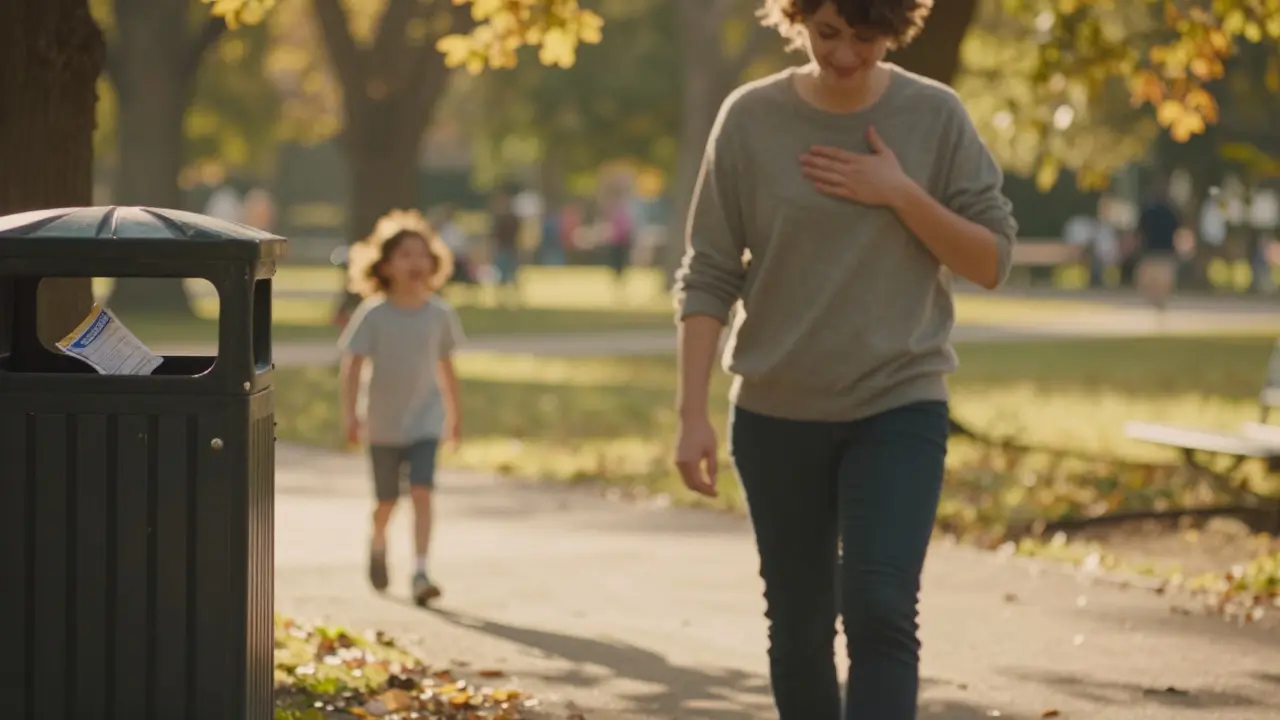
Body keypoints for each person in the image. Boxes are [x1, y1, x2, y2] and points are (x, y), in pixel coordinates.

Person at [671, 2, 1018, 718]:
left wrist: (899, 193)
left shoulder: (935, 115)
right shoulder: (749, 118)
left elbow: (991, 259)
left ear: (895, 32)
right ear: (796, 18)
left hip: (898, 403)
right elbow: (708, 271)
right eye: (828, 34)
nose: (845, 56)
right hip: (775, 412)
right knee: (798, 625)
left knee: (879, 605)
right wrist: (690, 415)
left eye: (867, 38)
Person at [338, 209, 466, 606]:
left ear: (435, 262)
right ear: (386, 265)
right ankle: (377, 543)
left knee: (423, 492)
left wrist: (455, 415)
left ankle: (421, 570)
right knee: (387, 502)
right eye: (405, 255)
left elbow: (446, 367)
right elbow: (353, 364)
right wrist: (350, 414)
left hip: (425, 420)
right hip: (383, 424)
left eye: (422, 254)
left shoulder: (439, 314)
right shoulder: (374, 313)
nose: (416, 262)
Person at [1135, 179, 1181, 311]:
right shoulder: (1171, 210)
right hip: (1164, 250)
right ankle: (1159, 301)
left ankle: (1153, 301)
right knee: (1162, 280)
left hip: (1151, 249)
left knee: (1150, 280)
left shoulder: (1148, 210)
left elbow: (1140, 230)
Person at [490, 186, 523, 304]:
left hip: (509, 248)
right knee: (502, 275)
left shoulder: (507, 218)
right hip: (504, 249)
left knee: (511, 274)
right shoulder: (499, 217)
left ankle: (513, 298)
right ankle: (501, 299)